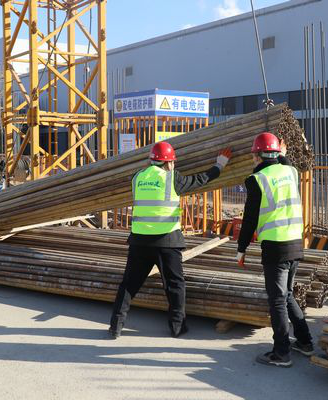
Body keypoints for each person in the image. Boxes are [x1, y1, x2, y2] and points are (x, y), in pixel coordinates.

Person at [109, 142, 232, 338]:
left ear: (151, 160)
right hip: (166, 240)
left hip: (139, 241)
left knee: (129, 285)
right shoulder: (171, 177)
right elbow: (200, 180)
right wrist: (219, 165)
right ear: (169, 163)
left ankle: (115, 326)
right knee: (175, 285)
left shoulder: (137, 177)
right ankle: (177, 327)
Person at [236, 132, 313, 368]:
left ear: (258, 156)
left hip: (275, 247)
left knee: (278, 300)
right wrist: (281, 153)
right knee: (286, 295)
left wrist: (241, 248)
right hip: (295, 242)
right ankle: (305, 342)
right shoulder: (290, 171)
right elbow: (285, 162)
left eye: (254, 155)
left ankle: (281, 353)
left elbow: (249, 219)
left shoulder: (256, 179)